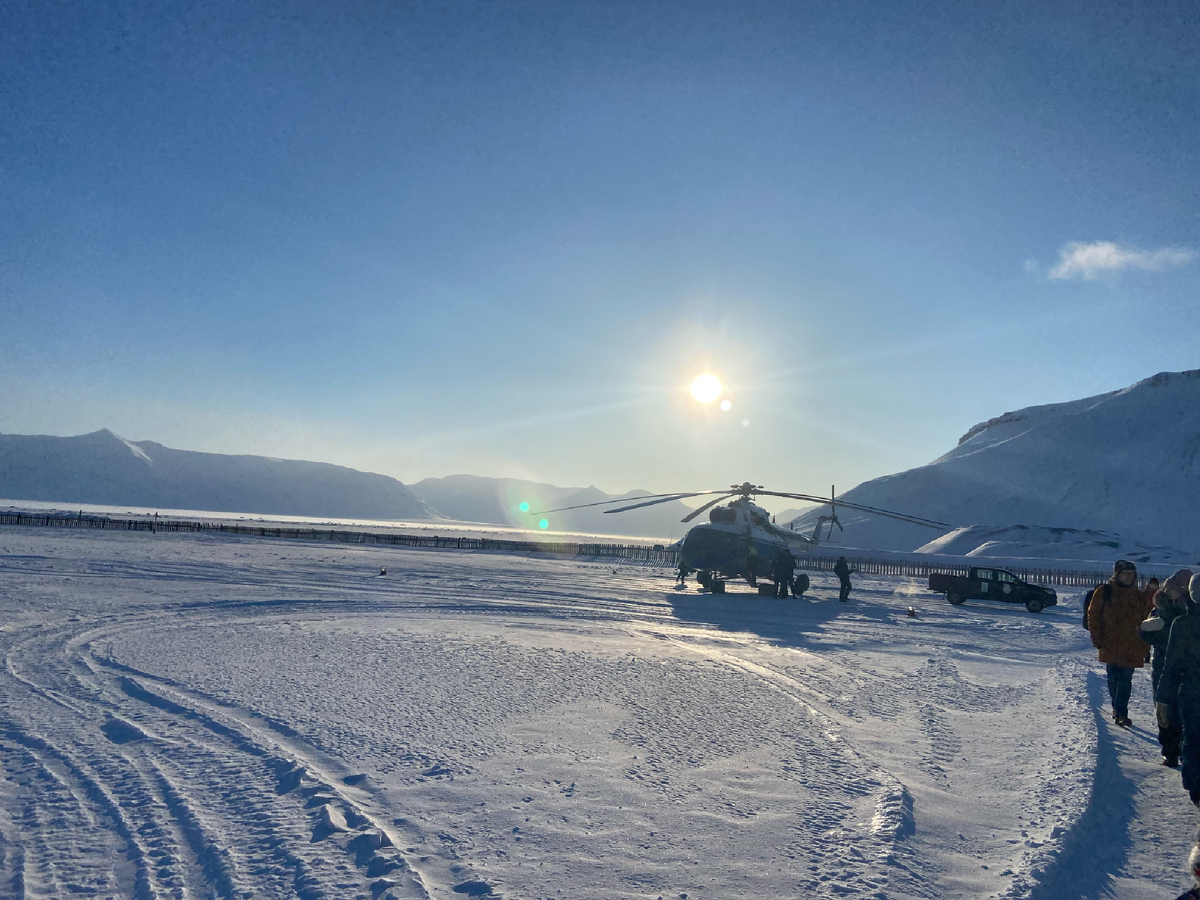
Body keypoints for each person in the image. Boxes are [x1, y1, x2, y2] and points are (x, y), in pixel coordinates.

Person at [1087, 559, 1153, 728]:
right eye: (1126, 574)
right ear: (1117, 575)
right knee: (1113, 677)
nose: (1129, 577)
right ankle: (1117, 708)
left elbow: (1146, 622)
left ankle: (1121, 712)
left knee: (1125, 680)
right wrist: (1097, 639)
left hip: (1132, 645)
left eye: (1132, 574)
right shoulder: (1105, 592)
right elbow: (1093, 617)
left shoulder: (1138, 597)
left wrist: (1146, 646)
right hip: (1110, 643)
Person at [1141, 570, 1194, 766]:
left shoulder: (1191, 610)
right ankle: (1169, 750)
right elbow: (1148, 635)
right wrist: (1146, 630)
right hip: (1162, 665)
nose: (1169, 591)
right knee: (1164, 709)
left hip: (1186, 667)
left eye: (1175, 588)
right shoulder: (1159, 608)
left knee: (1184, 710)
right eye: (1168, 587)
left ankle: (1184, 749)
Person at [1158, 574, 1200, 807]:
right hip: (1193, 692)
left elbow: (1172, 666)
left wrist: (1162, 700)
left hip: (1192, 693)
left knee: (1193, 739)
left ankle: (1196, 787)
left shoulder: (1182, 624)